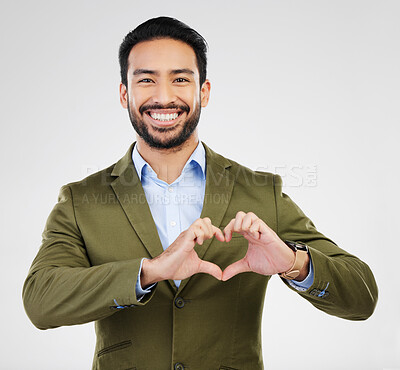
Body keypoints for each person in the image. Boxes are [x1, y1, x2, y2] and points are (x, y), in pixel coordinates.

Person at [23, 16, 378, 370]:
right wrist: (149, 271)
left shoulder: (260, 193)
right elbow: (40, 300)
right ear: (123, 94)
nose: (163, 97)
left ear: (203, 92)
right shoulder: (80, 200)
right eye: (146, 80)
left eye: (180, 79)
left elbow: (362, 296)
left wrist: (292, 262)